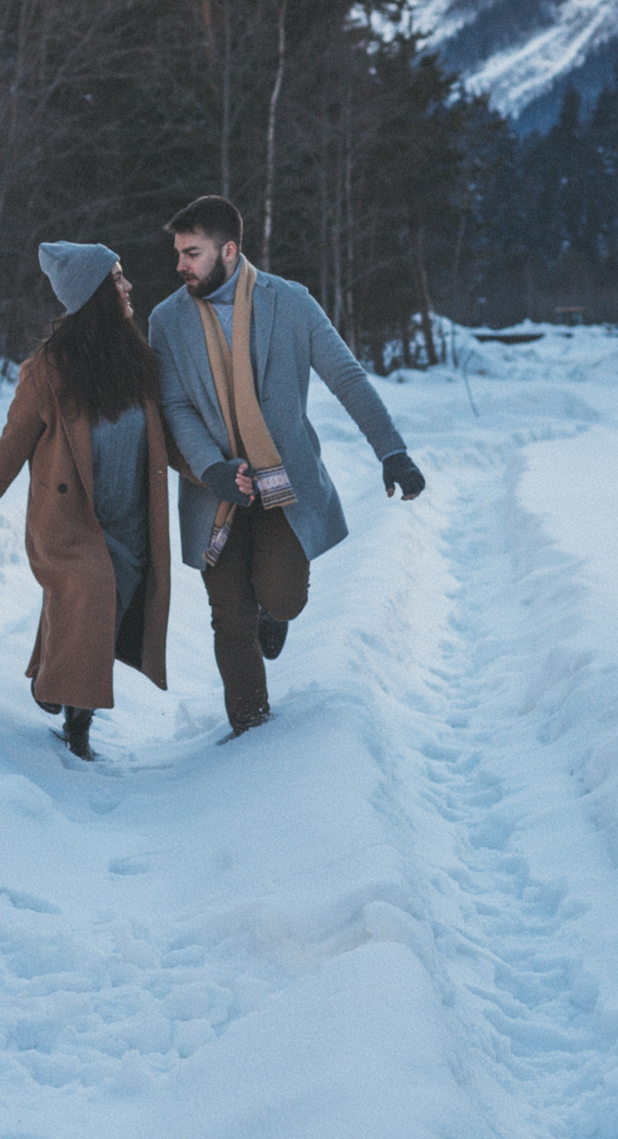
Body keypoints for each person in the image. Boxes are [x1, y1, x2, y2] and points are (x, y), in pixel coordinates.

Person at [146, 195, 425, 738]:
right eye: (178, 252)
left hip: (283, 486)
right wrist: (212, 468)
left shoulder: (291, 303)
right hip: (216, 494)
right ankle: (252, 732)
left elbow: (345, 376)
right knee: (228, 614)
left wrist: (391, 450)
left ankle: (274, 615)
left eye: (192, 253)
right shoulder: (167, 320)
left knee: (282, 595)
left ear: (229, 250)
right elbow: (174, 406)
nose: (179, 265)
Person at [0, 242, 173, 761]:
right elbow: (3, 460)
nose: (128, 287)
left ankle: (50, 680)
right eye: (117, 280)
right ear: (94, 297)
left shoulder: (138, 362)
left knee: (101, 616)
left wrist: (221, 474)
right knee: (91, 594)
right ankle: (77, 732)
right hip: (70, 525)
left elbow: (171, 441)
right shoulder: (47, 373)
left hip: (129, 524)